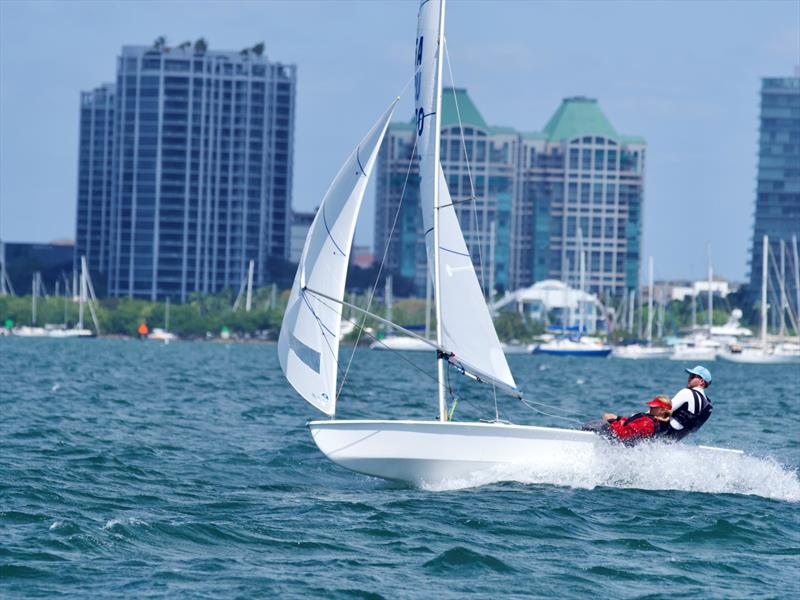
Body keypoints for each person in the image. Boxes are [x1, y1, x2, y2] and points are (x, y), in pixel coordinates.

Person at [582, 397, 673, 446]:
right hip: (627, 441)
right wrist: (619, 418)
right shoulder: (662, 423)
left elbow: (621, 434)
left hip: (617, 440)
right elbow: (633, 426)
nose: (650, 407)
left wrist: (611, 421)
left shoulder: (647, 423)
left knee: (591, 425)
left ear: (662, 410)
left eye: (654, 407)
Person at [665, 365, 713, 440]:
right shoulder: (708, 405)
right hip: (675, 438)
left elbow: (664, 410)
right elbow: (694, 430)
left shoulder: (686, 392)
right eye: (690, 375)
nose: (689, 378)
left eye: (692, 376)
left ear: (701, 381)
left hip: (663, 433)